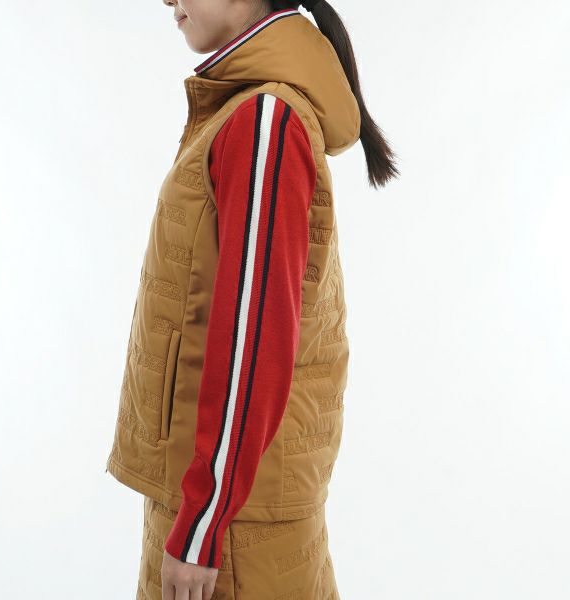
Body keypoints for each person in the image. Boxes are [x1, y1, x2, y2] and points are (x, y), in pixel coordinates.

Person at [104, 1, 398, 598]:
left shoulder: (265, 120)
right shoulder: (246, 111)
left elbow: (253, 335)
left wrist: (203, 525)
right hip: (220, 502)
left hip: (232, 523)